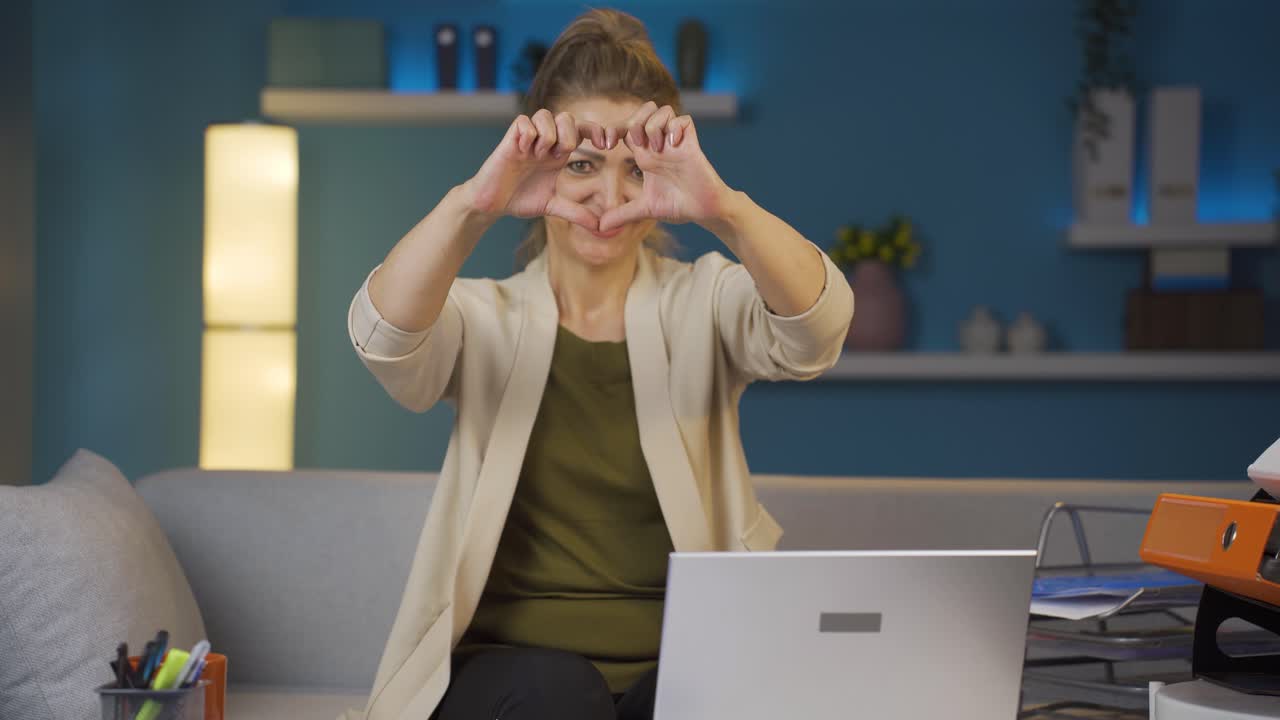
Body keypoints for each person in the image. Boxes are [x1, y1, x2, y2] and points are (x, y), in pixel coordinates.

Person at [342, 8, 854, 720]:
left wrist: (725, 210)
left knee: (696, 700)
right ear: (539, 164)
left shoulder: (704, 300)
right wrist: (476, 205)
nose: (608, 199)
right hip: (509, 676)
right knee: (561, 695)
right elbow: (384, 337)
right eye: (581, 164)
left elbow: (817, 331)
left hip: (682, 661)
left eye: (635, 170)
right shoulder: (482, 316)